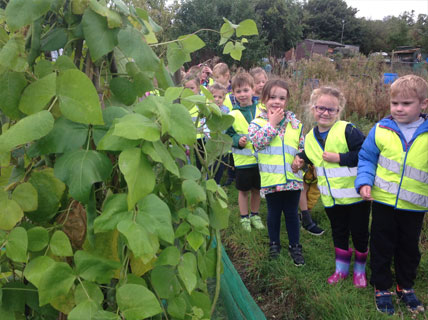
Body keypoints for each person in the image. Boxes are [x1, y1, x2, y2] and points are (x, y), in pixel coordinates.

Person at [355, 75, 428, 315]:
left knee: (409, 248)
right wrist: (364, 182)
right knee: (381, 245)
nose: (398, 108)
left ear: (423, 104)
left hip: (415, 207)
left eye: (406, 104)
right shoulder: (381, 129)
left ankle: (405, 286)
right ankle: (382, 286)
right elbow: (367, 158)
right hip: (383, 202)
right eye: (394, 103)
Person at [292, 86, 370, 284]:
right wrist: (300, 159)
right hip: (331, 199)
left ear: (338, 111)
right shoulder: (310, 137)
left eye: (331, 109)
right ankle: (341, 269)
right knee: (339, 231)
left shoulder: (347, 130)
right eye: (321, 108)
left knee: (360, 233)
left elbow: (366, 154)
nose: (325, 113)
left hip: (356, 197)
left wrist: (340, 158)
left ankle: (360, 271)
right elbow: (310, 155)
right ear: (313, 109)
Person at [249, 79, 305, 266]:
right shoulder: (257, 123)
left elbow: (301, 147)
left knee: (291, 213)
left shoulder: (295, 124)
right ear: (264, 99)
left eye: (282, 98)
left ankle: (295, 246)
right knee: (273, 213)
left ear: (287, 101)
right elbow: (257, 143)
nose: (277, 101)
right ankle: (274, 244)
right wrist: (271, 124)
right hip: (271, 180)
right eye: (272, 97)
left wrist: (300, 159)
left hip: (292, 179)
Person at [226, 72, 264, 232]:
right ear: (233, 93)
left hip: (261, 161)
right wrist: (237, 141)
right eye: (238, 91)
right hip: (243, 163)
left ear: (253, 90)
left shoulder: (262, 110)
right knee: (243, 191)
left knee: (257, 190)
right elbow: (228, 135)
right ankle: (244, 217)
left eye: (246, 90)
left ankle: (255, 214)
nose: (242, 95)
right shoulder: (232, 115)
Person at [208, 83, 230, 185]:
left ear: (224, 98)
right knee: (210, 163)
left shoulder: (226, 110)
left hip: (222, 142)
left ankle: (217, 182)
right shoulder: (207, 109)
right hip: (210, 141)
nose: (217, 99)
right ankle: (208, 181)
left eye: (220, 97)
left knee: (220, 164)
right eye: (214, 96)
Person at [299, 164, 325, 236]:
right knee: (303, 187)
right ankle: (306, 220)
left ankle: (304, 216)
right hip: (305, 160)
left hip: (319, 159)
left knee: (314, 191)